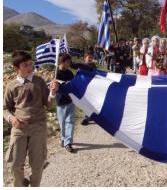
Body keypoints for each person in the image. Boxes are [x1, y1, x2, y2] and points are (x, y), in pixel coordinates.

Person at [4, 50, 59, 187]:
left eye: (30, 64)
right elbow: (4, 108)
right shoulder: (11, 86)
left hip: (38, 127)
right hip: (19, 129)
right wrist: (12, 119)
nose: (30, 68)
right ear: (17, 68)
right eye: (25, 65)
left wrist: (52, 93)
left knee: (37, 165)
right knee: (15, 165)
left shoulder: (39, 81)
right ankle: (21, 185)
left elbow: (48, 104)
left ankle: (35, 185)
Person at [55, 54, 75, 153]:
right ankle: (63, 138)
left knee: (70, 121)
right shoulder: (56, 73)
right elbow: (55, 88)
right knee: (62, 122)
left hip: (71, 101)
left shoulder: (70, 73)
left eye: (69, 62)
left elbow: (74, 85)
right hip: (60, 101)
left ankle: (68, 143)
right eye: (68, 62)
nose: (69, 64)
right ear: (62, 62)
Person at [71, 51, 97, 126]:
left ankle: (87, 117)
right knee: (86, 102)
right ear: (84, 58)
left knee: (89, 102)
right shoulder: (82, 67)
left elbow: (85, 67)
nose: (90, 59)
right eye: (89, 57)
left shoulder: (92, 65)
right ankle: (90, 116)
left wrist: (73, 65)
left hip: (91, 87)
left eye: (91, 58)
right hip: (84, 87)